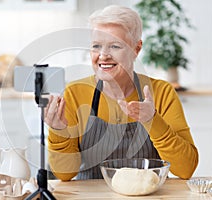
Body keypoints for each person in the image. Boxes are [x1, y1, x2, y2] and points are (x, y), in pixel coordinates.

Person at [44, 5, 198, 181]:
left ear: (136, 49)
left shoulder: (162, 93)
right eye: (96, 46)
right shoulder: (75, 93)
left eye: (115, 46)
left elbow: (186, 169)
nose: (103, 55)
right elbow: (64, 174)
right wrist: (58, 131)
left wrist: (152, 120)